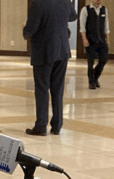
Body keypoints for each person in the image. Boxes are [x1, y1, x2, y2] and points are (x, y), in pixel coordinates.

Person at [23, 0, 77, 136]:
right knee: (58, 88)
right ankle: (57, 125)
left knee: (42, 88)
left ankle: (41, 125)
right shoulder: (65, 1)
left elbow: (31, 28)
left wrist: (25, 31)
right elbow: (73, 16)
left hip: (44, 51)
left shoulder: (38, 3)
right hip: (62, 49)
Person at [79, 0, 109, 90]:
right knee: (90, 62)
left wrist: (107, 40)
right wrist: (84, 39)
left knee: (103, 59)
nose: (97, 1)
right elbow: (82, 26)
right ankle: (91, 82)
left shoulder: (104, 10)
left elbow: (106, 27)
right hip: (90, 40)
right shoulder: (85, 9)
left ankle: (95, 78)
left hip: (101, 40)